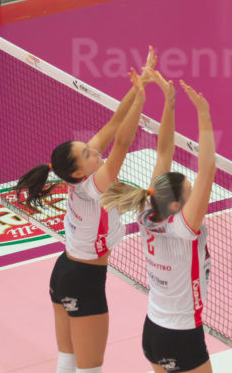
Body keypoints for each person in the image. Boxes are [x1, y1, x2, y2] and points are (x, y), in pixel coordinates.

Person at [13, 47, 157, 373]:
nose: (95, 152)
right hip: (84, 281)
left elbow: (115, 122)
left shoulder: (79, 176)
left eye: (89, 148)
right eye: (89, 154)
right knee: (90, 370)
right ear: (79, 171)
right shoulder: (95, 186)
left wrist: (141, 83)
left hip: (64, 271)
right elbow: (122, 142)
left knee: (67, 362)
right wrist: (141, 98)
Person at [101, 73, 215, 373]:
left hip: (153, 330)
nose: (194, 193)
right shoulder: (183, 228)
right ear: (177, 205)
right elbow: (207, 170)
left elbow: (164, 151)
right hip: (182, 335)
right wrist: (203, 115)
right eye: (189, 192)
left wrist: (169, 101)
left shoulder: (149, 210)